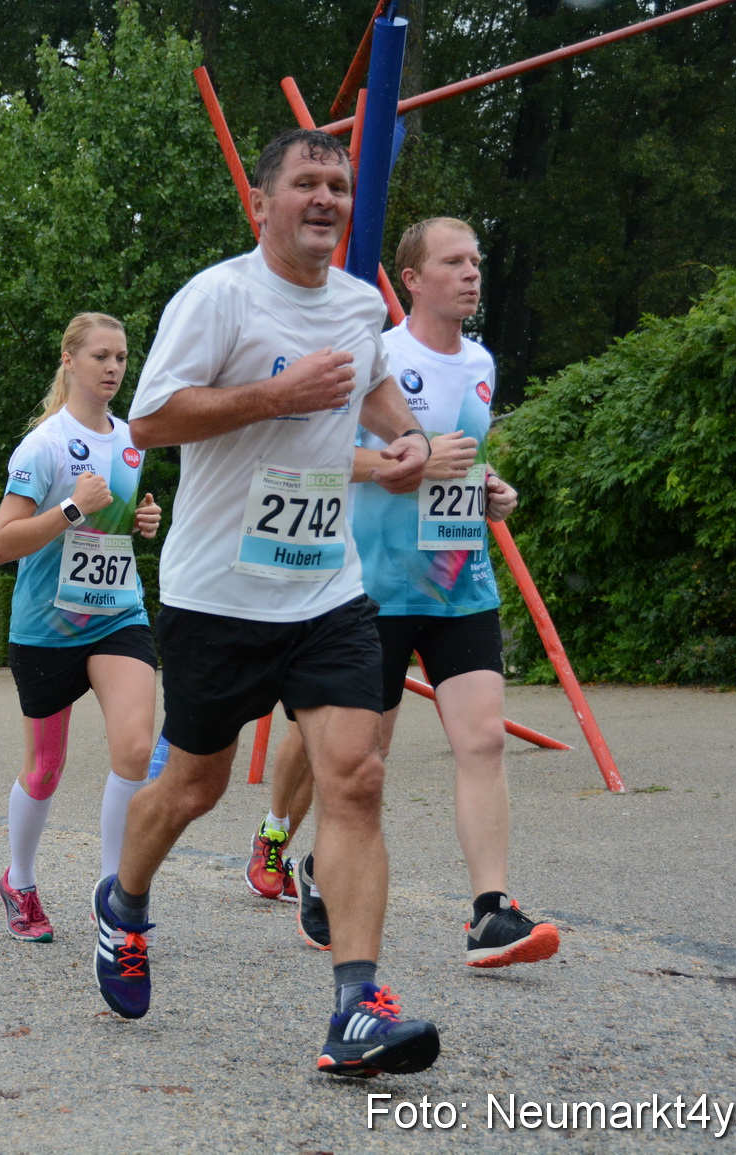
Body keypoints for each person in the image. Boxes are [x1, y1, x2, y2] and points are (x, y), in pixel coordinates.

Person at [96, 127, 439, 1078]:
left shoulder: (362, 302)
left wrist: (406, 439)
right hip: (218, 595)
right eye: (306, 183)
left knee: (357, 775)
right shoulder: (220, 296)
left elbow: (369, 391)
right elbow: (154, 418)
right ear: (263, 202)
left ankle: (356, 1005)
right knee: (195, 787)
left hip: (329, 587)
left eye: (338, 183)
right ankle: (124, 905)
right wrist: (274, 396)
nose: (325, 197)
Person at [249, 218, 550, 973]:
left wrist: (489, 491)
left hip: (459, 583)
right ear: (412, 279)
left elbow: (462, 465)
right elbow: (319, 457)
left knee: (482, 740)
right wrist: (394, 463)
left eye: (476, 261)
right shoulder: (376, 358)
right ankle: (313, 861)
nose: (472, 274)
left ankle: (492, 913)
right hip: (372, 588)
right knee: (363, 758)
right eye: (454, 262)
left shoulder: (481, 363)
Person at [0, 313, 163, 942]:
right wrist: (69, 508)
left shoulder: (133, 438)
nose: (114, 368)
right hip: (47, 628)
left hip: (119, 615)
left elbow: (108, 523)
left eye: (121, 357)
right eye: (101, 357)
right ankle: (21, 880)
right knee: (45, 769)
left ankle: (115, 893)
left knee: (137, 750)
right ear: (69, 362)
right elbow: (1, 545)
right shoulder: (44, 445)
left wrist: (139, 519)